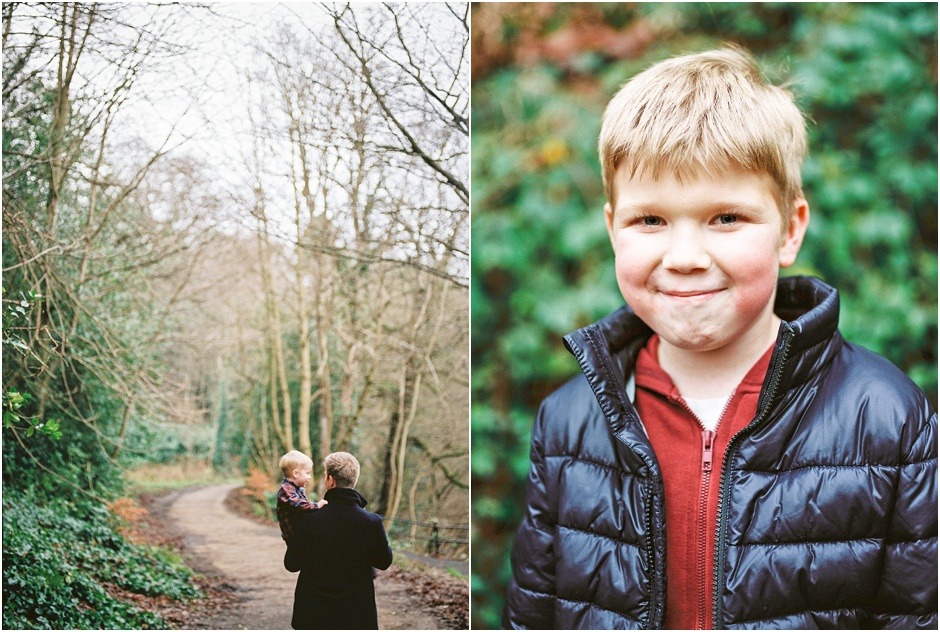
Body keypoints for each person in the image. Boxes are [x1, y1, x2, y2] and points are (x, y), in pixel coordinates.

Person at [503, 47, 937, 630]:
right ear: (612, 230)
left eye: (726, 218)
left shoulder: (887, 417)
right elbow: (532, 615)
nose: (684, 258)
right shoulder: (566, 423)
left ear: (790, 230)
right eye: (650, 220)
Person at [285, 451, 393, 630]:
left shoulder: (309, 519)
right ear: (354, 480)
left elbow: (291, 564)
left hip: (313, 615)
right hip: (356, 615)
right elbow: (384, 562)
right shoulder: (372, 523)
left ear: (330, 480)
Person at [276, 450, 327, 544]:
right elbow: (299, 505)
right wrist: (317, 505)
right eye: (307, 473)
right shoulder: (286, 490)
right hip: (294, 537)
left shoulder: (296, 489)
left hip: (299, 534)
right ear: (295, 474)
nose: (310, 477)